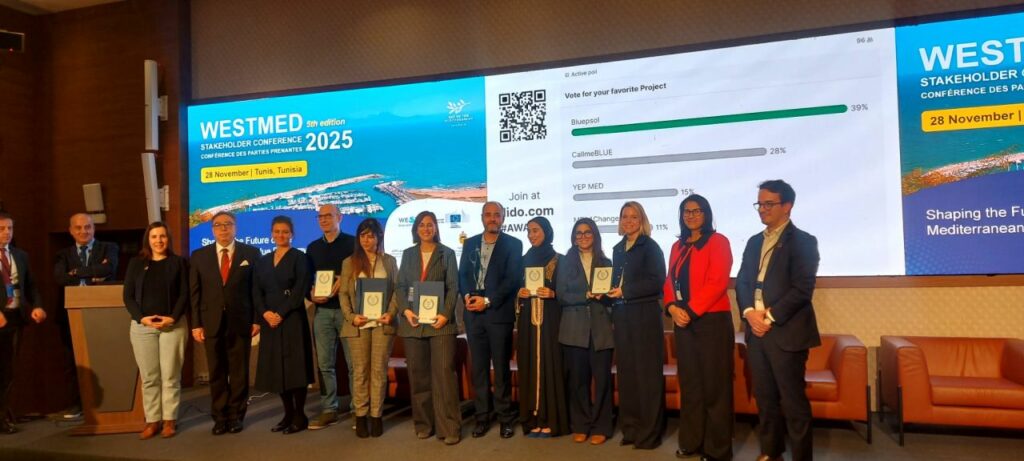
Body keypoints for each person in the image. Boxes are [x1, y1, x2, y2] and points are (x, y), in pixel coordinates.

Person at [735, 180, 820, 461]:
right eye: (760, 204)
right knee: (766, 398)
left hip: (786, 332)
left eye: (769, 203)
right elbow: (743, 282)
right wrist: (749, 313)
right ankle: (771, 452)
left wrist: (769, 317)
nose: (763, 209)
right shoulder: (753, 242)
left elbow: (802, 289)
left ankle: (802, 457)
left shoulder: (804, 241)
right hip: (755, 330)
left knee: (793, 402)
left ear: (787, 206)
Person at [663, 195, 734, 461]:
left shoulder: (718, 242)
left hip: (711, 322)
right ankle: (691, 442)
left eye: (697, 211)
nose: (691, 215)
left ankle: (717, 450)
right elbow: (669, 281)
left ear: (706, 214)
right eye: (686, 211)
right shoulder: (677, 246)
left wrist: (690, 312)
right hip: (683, 321)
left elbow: (717, 282)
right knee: (691, 386)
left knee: (715, 388)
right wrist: (672, 307)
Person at [190, 211, 261, 435]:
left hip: (241, 321)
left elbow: (256, 290)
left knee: (239, 372)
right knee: (217, 372)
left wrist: (256, 320)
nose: (223, 229)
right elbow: (195, 293)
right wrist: (196, 324)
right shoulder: (199, 256)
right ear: (212, 230)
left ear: (235, 227)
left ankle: (236, 416)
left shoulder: (251, 253)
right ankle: (220, 417)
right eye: (218, 225)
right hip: (211, 322)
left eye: (228, 224)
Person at [396, 211, 462, 445]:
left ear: (436, 228)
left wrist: (445, 315)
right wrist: (406, 311)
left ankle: (450, 428)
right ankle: (424, 424)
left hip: (440, 324)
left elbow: (453, 287)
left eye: (430, 225)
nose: (426, 229)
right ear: (416, 229)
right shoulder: (408, 254)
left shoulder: (447, 253)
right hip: (413, 324)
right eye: (422, 225)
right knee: (418, 376)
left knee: (444, 375)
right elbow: (400, 287)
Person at [458, 201, 523, 439]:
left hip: (498, 314)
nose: (492, 218)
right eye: (488, 214)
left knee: (502, 368)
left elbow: (512, 279)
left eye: (497, 214)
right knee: (479, 369)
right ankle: (482, 417)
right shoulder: (470, 243)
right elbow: (463, 274)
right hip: (473, 315)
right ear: (482, 217)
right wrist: (467, 296)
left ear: (503, 218)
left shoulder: (513, 244)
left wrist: (487, 301)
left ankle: (505, 418)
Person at [607, 200, 666, 449]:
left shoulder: (650, 247)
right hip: (622, 317)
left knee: (647, 377)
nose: (628, 221)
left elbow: (657, 281)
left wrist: (625, 291)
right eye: (625, 217)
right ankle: (630, 429)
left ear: (641, 220)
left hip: (644, 316)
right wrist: (606, 291)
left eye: (634, 217)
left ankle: (649, 434)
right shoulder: (617, 248)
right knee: (628, 375)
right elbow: (616, 282)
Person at [122, 222, 189, 439]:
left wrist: (173, 317)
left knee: (170, 376)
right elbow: (128, 296)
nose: (158, 241)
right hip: (143, 327)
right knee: (149, 377)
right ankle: (152, 421)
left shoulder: (179, 263)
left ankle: (169, 420)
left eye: (162, 236)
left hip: (173, 326)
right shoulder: (136, 263)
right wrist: (142, 318)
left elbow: (185, 294)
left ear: (168, 239)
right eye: (154, 237)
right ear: (147, 240)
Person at [52, 212, 119, 419]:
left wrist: (77, 272)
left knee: (103, 358)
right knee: (74, 362)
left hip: (102, 314)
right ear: (71, 231)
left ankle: (108, 405)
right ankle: (77, 404)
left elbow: (109, 268)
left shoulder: (109, 248)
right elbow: (61, 278)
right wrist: (93, 273)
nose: (84, 231)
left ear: (94, 228)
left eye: (88, 227)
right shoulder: (62, 254)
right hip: (69, 317)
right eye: (79, 228)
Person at [555, 218, 614, 446]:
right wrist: (586, 296)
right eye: (578, 233)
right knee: (578, 381)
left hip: (601, 329)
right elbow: (562, 296)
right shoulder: (564, 262)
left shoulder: (606, 262)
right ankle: (581, 425)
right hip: (573, 329)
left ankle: (601, 426)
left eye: (587, 232)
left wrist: (606, 295)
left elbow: (611, 298)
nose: (583, 237)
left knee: (603, 381)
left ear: (595, 235)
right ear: (573, 238)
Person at [253, 215, 314, 435]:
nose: (281, 235)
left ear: (292, 234)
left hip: (292, 319)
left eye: (285, 232)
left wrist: (280, 313)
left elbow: (300, 289)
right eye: (277, 231)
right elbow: (256, 291)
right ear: (271, 234)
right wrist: (265, 313)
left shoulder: (300, 257)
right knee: (277, 370)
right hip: (269, 321)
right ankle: (287, 414)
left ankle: (300, 415)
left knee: (295, 369)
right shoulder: (262, 261)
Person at [339, 218, 397, 438]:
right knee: (360, 372)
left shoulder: (389, 261)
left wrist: (391, 313)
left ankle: (376, 415)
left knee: (378, 372)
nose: (366, 240)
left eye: (371, 236)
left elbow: (397, 291)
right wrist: (351, 317)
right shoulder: (349, 262)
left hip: (382, 324)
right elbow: (344, 293)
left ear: (378, 237)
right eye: (362, 236)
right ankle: (361, 416)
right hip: (358, 325)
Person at [515, 216, 568, 438]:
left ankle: (550, 419)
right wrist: (520, 293)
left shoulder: (560, 260)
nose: (531, 235)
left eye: (536, 230)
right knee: (529, 364)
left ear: (546, 231)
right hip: (528, 323)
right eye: (529, 231)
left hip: (551, 321)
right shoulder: (523, 260)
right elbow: (515, 289)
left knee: (549, 364)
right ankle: (533, 418)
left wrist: (553, 293)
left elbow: (568, 292)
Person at [306, 204, 356, 430]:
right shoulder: (312, 248)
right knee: (325, 364)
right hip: (323, 312)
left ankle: (357, 409)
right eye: (320, 216)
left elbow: (363, 273)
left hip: (348, 311)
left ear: (340, 217)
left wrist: (344, 280)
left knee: (354, 364)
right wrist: (311, 294)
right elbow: (308, 280)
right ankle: (329, 409)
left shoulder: (353, 244)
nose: (324, 220)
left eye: (329, 216)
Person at [0, 212, 47, 434]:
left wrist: (37, 306)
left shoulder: (20, 255)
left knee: (8, 370)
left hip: (15, 318)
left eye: (9, 228)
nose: (6, 233)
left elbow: (31, 286)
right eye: (1, 229)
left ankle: (3, 416)